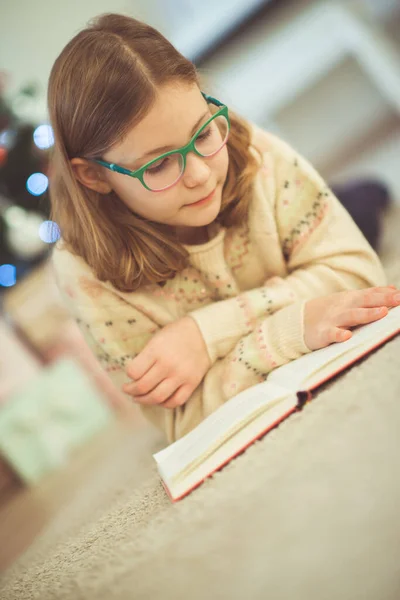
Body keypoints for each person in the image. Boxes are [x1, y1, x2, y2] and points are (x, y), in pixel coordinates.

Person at [48, 13, 400, 443]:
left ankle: (360, 196)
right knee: (336, 227)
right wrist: (294, 323)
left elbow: (359, 276)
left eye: (203, 132)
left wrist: (205, 333)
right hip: (289, 262)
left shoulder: (251, 151)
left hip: (289, 234)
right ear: (94, 177)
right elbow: (183, 419)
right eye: (159, 164)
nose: (198, 174)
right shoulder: (84, 274)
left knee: (362, 213)